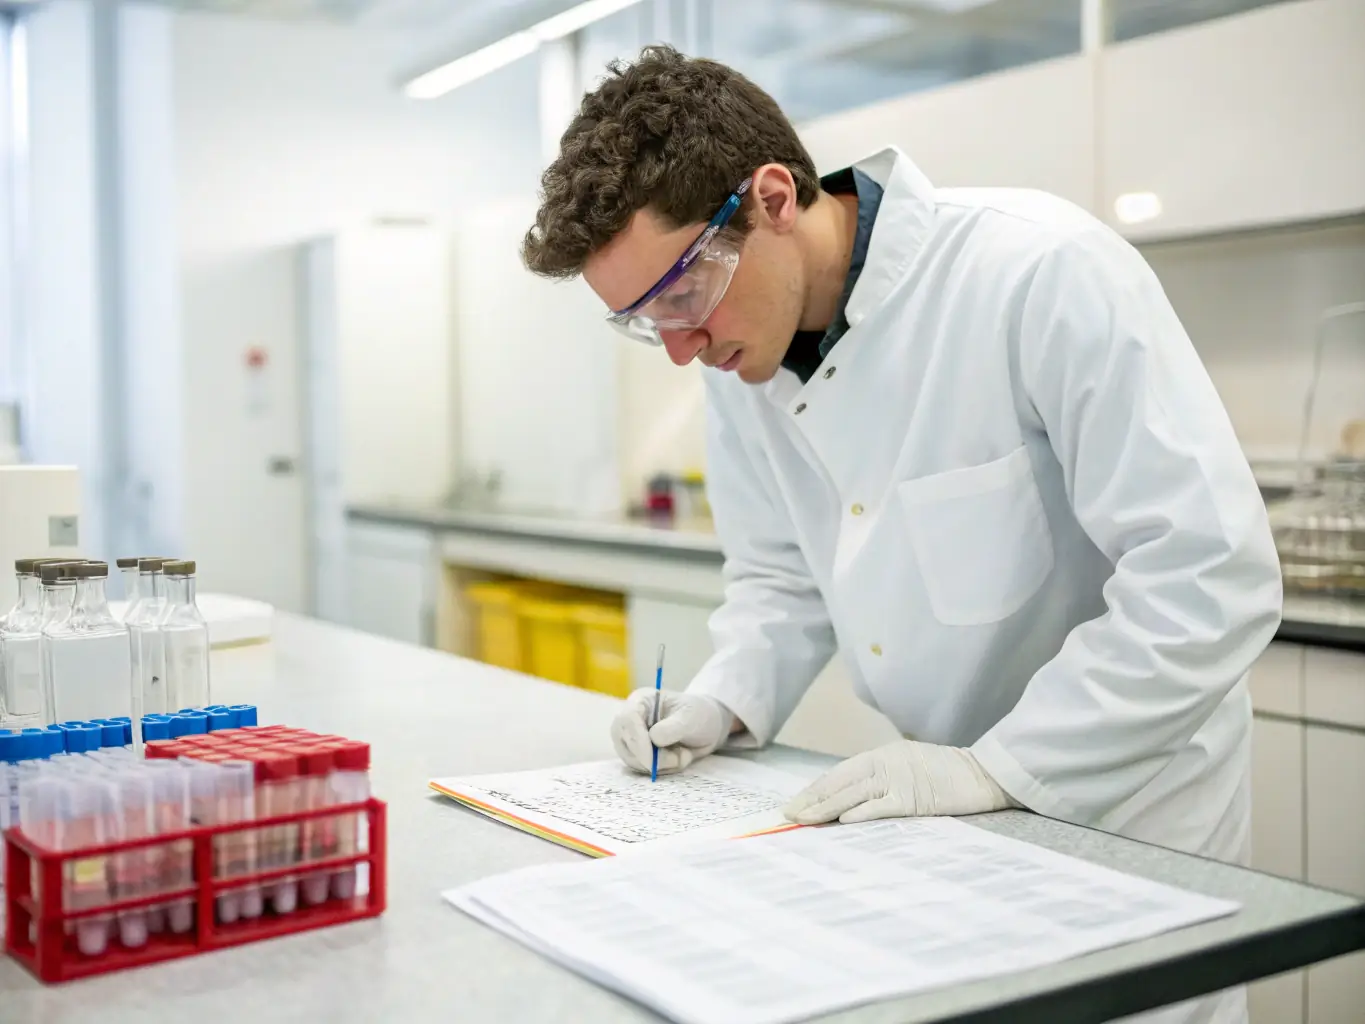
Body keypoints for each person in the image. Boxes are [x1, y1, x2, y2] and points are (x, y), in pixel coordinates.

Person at [522, 46, 1282, 1024]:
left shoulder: (1037, 271)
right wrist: (723, 701)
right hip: (937, 820)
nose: (678, 347)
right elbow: (780, 581)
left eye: (677, 295)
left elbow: (1208, 575)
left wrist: (990, 769)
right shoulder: (740, 362)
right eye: (641, 321)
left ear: (769, 198)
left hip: (1126, 797)